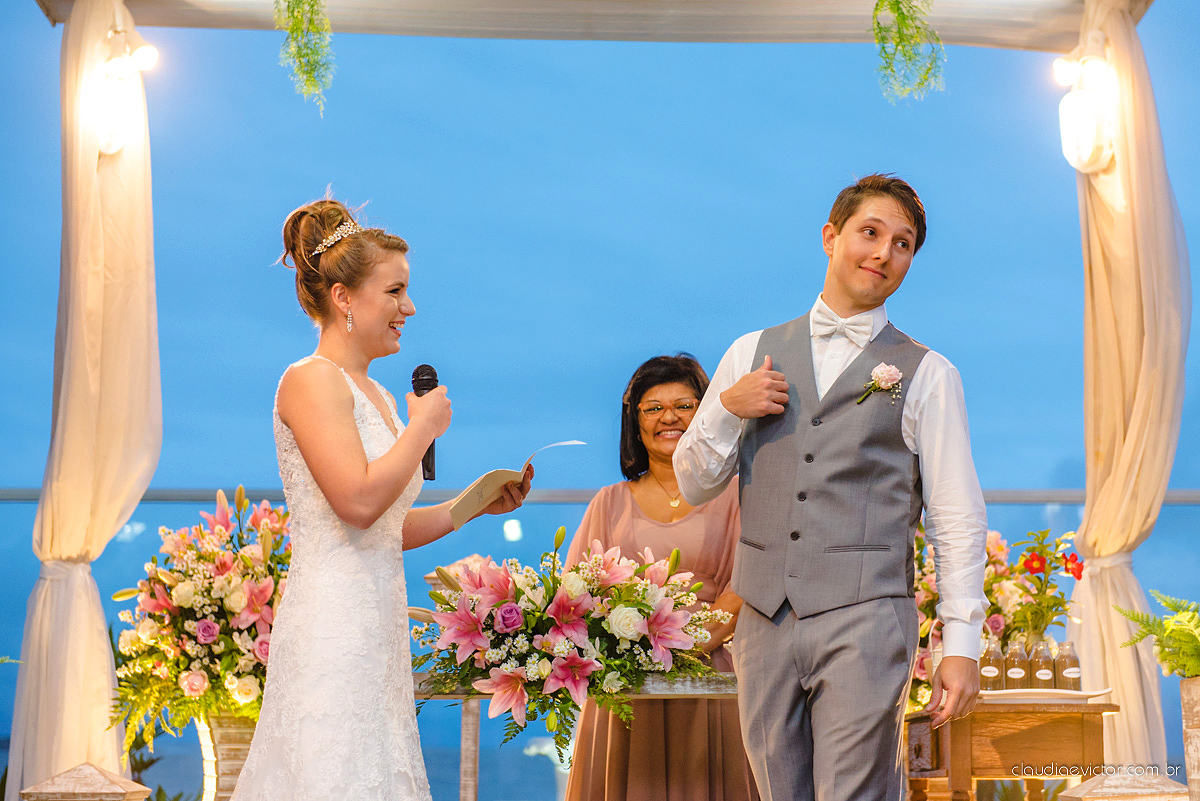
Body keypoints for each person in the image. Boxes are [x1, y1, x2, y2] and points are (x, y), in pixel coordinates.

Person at [673, 174, 988, 801]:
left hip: (868, 618)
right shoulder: (749, 352)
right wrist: (726, 409)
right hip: (763, 621)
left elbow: (956, 519)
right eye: (870, 233)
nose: (883, 253)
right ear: (830, 237)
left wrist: (963, 644)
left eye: (902, 245)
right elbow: (694, 483)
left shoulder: (930, 374)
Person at [231, 199, 533, 801]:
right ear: (344, 297)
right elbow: (357, 504)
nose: (409, 308)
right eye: (395, 291)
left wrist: (472, 504)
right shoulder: (310, 379)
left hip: (378, 622)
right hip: (333, 623)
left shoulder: (380, 396)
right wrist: (424, 427)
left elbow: (383, 527)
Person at [564, 354, 759, 801]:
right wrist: (633, 650)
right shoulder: (607, 502)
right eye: (653, 408)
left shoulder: (737, 495)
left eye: (684, 405)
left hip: (711, 677)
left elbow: (745, 587)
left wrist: (684, 644)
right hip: (625, 686)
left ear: (707, 414)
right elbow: (578, 596)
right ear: (635, 423)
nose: (668, 417)